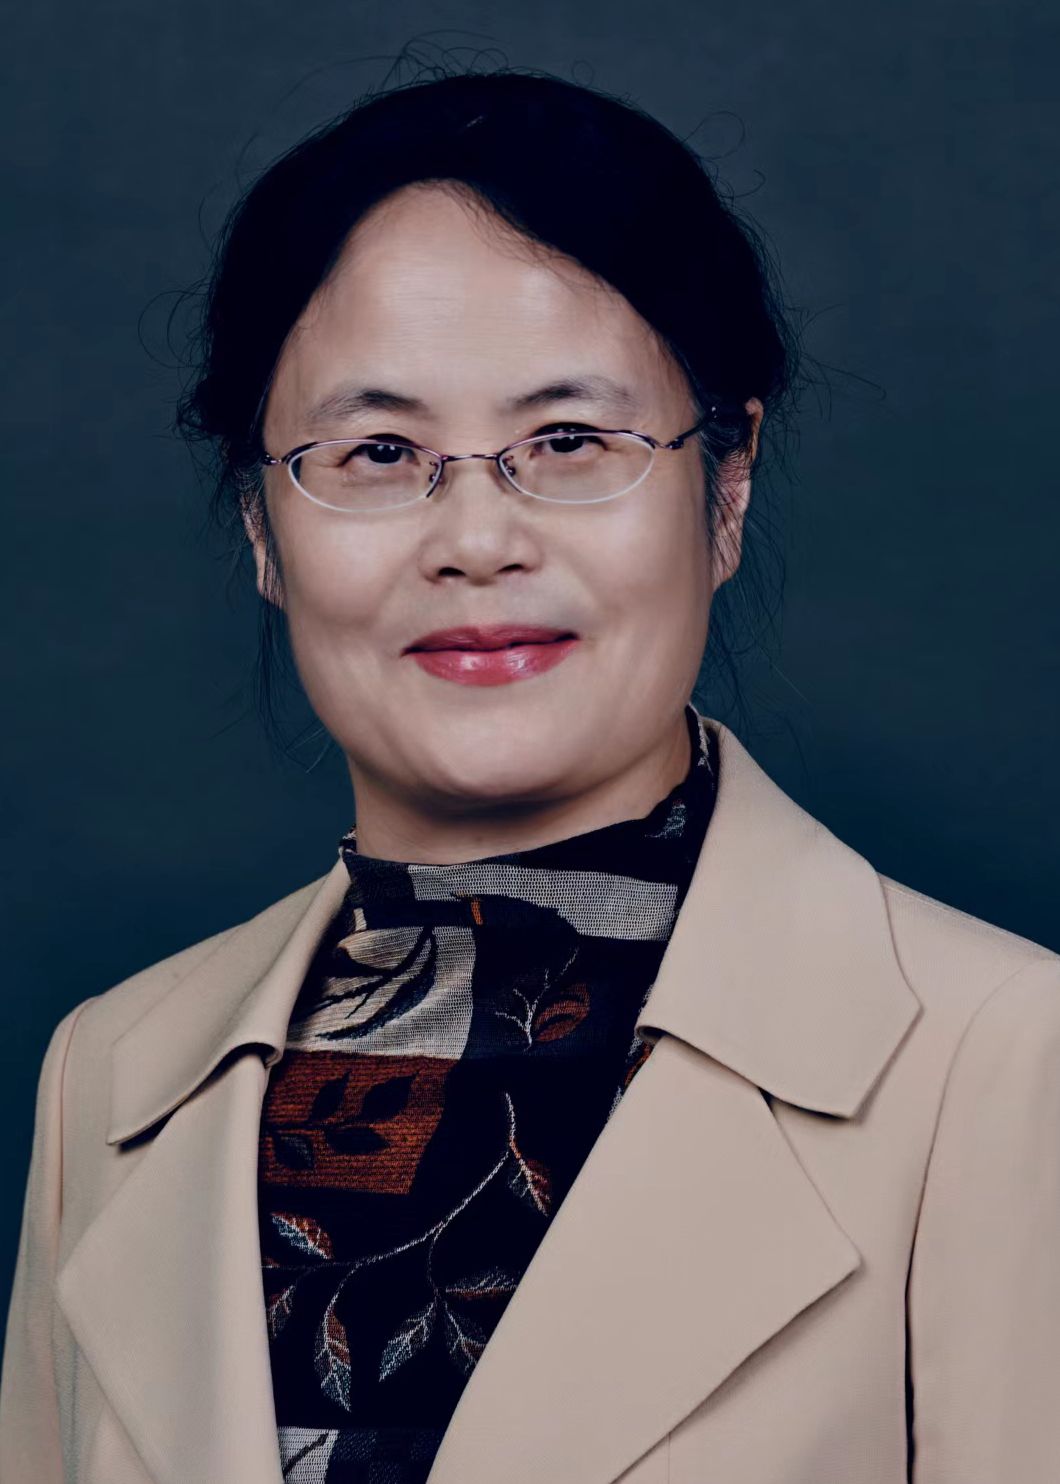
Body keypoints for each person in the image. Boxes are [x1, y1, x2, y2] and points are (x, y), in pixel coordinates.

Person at [2, 67, 1058, 1484]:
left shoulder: (1008, 1063)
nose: (476, 541)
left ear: (728, 484)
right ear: (260, 524)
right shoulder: (111, 1073)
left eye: (568, 441)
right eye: (379, 451)